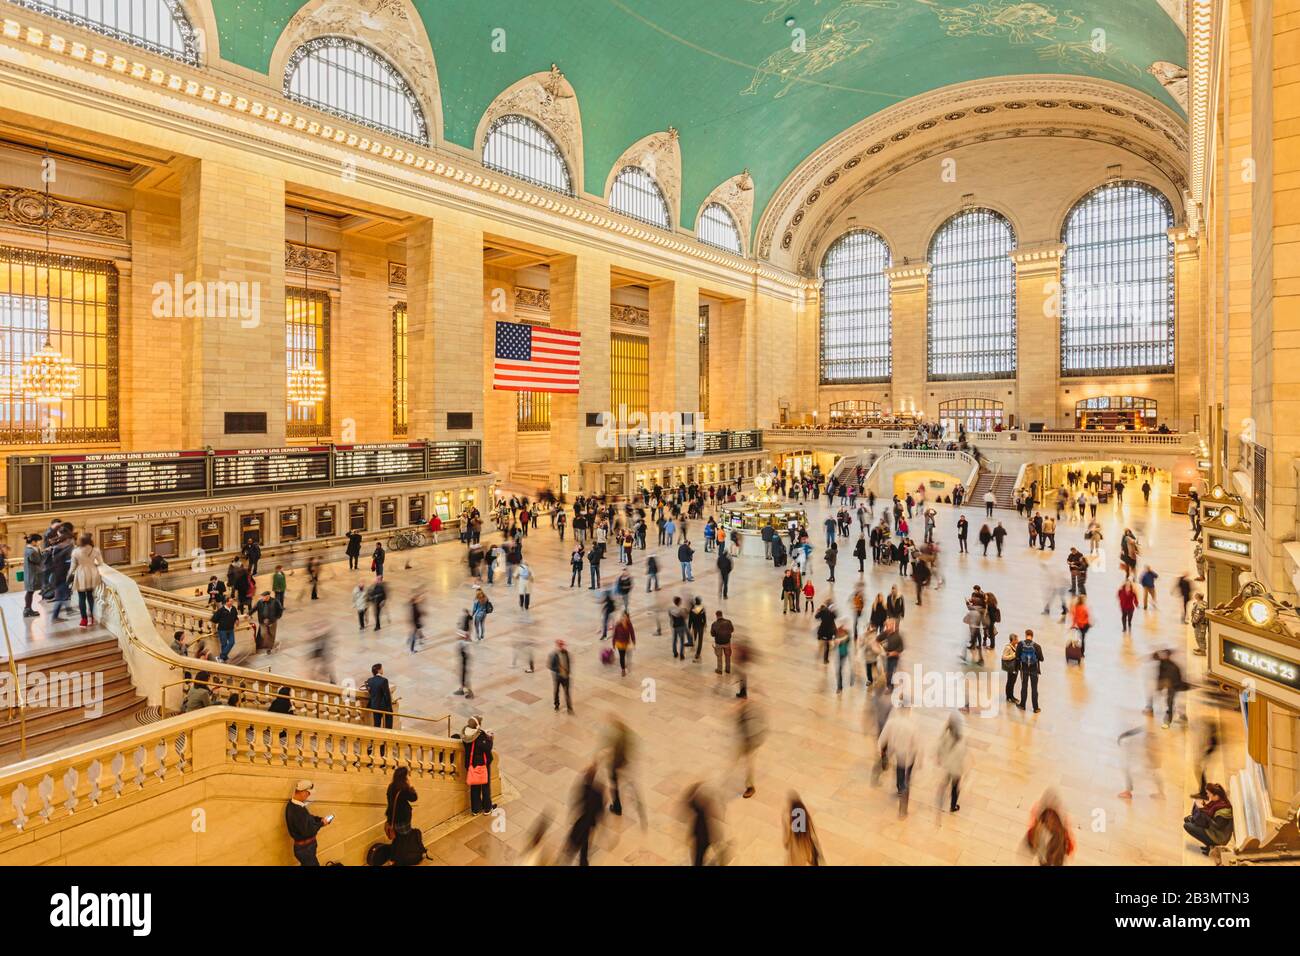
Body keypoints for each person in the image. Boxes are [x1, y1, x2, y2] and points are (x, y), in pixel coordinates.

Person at [879, 703, 920, 816]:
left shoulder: (892, 722)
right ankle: (903, 799)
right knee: (907, 778)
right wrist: (920, 758)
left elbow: (882, 739)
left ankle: (900, 789)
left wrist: (883, 752)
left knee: (899, 773)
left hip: (899, 755)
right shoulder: (912, 725)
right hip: (910, 756)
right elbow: (916, 744)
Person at [285, 780, 331, 866]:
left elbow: (307, 819)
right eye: (307, 793)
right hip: (305, 849)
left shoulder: (294, 805)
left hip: (306, 849)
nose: (308, 795)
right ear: (301, 792)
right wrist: (321, 824)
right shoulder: (297, 809)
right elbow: (307, 831)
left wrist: (319, 819)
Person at [1025, 791, 1075, 866]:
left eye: (1053, 818)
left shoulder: (1062, 831)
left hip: (1056, 858)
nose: (1050, 821)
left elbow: (1069, 844)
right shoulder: (1039, 826)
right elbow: (1031, 838)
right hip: (1044, 858)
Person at [1183, 782, 1234, 856]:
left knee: (1187, 825)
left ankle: (1211, 845)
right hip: (1214, 831)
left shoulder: (1224, 811)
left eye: (1209, 794)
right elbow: (1210, 812)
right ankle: (1209, 845)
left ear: (1216, 796)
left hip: (1219, 837)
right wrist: (1203, 807)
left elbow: (1218, 826)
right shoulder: (1219, 803)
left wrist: (1204, 815)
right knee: (1188, 819)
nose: (1207, 795)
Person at [67, 533, 103, 628]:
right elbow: (100, 563)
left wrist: (68, 575)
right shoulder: (95, 550)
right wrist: (92, 564)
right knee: (91, 596)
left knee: (81, 598)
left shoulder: (75, 551)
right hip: (92, 574)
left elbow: (73, 566)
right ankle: (92, 618)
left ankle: (84, 620)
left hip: (81, 574)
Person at [936, 712, 968, 813]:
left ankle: (940, 799)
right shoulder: (961, 740)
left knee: (946, 782)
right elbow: (963, 754)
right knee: (955, 788)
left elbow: (940, 747)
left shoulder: (946, 736)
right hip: (957, 769)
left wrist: (939, 758)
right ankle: (953, 806)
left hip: (948, 765)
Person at [462, 716, 494, 815]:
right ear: (477, 725)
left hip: (471, 765)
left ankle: (475, 809)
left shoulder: (465, 735)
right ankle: (487, 808)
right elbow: (488, 747)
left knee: (474, 788)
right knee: (485, 786)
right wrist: (490, 738)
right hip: (482, 765)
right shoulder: (480, 737)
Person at [783, 793, 824, 865]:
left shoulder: (788, 818)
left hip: (795, 851)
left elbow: (786, 839)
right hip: (805, 848)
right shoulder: (804, 816)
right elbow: (811, 833)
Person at [384, 765, 419, 847]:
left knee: (397, 839)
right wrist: (410, 787)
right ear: (404, 777)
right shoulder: (404, 789)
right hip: (402, 819)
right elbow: (414, 798)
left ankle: (394, 856)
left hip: (392, 818)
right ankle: (398, 857)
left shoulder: (391, 786)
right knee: (403, 840)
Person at [1016, 629, 1043, 713]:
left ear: (1026, 635)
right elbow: (1041, 659)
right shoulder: (1037, 646)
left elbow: (1017, 656)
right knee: (1034, 689)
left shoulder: (1020, 644)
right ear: (1032, 636)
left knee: (1024, 687)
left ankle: (1022, 705)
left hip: (1024, 669)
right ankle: (1036, 708)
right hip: (1034, 670)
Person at [364, 663, 394, 733]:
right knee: (388, 726)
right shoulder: (384, 680)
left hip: (374, 706)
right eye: (381, 668)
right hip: (384, 707)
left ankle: (375, 742)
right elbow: (387, 695)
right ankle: (385, 741)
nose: (382, 670)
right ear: (379, 670)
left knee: (376, 725)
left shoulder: (369, 680)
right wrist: (390, 708)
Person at [211, 596, 239, 662]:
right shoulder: (221, 610)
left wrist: (237, 620)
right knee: (224, 644)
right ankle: (224, 658)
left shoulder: (233, 608)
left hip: (231, 629)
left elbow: (235, 616)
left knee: (232, 642)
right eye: (230, 601)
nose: (232, 602)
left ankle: (221, 656)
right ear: (226, 602)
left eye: (232, 601)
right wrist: (222, 621)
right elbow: (214, 619)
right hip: (222, 630)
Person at [548, 639, 573, 713]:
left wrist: (568, 672)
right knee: (556, 691)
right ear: (557, 645)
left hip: (566, 676)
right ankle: (556, 705)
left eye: (563, 644)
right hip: (557, 677)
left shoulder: (566, 653)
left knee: (567, 692)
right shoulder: (553, 654)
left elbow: (568, 663)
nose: (562, 646)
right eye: (560, 645)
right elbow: (550, 666)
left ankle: (569, 708)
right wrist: (559, 669)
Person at [21, 534, 41, 618]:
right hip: (32, 575)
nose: (40, 543)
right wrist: (41, 552)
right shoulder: (32, 551)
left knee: (30, 592)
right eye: (38, 541)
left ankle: (28, 609)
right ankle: (27, 609)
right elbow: (38, 560)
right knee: (30, 592)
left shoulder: (28, 549)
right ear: (33, 542)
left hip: (30, 574)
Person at [611, 610, 636, 676]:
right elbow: (614, 635)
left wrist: (633, 642)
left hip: (627, 643)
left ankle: (627, 665)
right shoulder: (618, 624)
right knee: (622, 657)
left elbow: (632, 632)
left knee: (628, 656)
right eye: (624, 616)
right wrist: (613, 644)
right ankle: (623, 670)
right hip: (620, 644)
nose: (625, 618)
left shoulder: (629, 623)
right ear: (622, 617)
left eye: (627, 617)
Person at [1001, 633, 1021, 702]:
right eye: (1017, 639)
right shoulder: (1008, 647)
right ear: (1013, 640)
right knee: (1010, 682)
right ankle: (1008, 696)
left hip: (1015, 667)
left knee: (1013, 682)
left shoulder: (1015, 646)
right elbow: (1003, 657)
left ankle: (1011, 696)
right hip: (1011, 667)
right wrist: (1013, 655)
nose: (1018, 640)